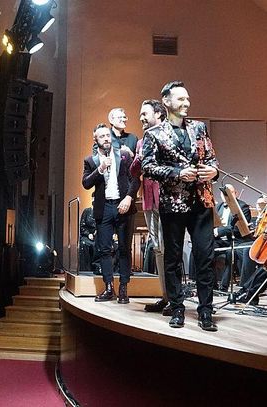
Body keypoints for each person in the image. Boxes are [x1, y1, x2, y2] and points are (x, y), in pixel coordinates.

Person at [142, 80, 219, 331]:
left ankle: (206, 310)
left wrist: (214, 171)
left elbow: (212, 158)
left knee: (205, 257)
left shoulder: (199, 127)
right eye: (181, 98)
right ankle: (177, 308)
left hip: (202, 201)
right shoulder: (153, 134)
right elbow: (147, 167)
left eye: (187, 98)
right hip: (173, 203)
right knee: (173, 258)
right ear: (166, 101)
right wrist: (177, 173)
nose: (186, 102)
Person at [82, 123, 140, 303]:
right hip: (104, 207)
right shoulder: (91, 160)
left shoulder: (123, 155)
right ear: (96, 140)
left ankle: (123, 288)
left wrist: (129, 198)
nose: (106, 139)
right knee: (104, 249)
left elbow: (135, 179)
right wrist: (100, 169)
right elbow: (86, 183)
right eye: (102, 136)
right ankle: (109, 287)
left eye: (108, 135)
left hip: (123, 205)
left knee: (124, 248)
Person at [130, 99, 170, 314]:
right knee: (158, 249)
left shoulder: (170, 137)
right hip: (148, 200)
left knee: (169, 249)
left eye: (144, 114)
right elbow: (134, 170)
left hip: (167, 200)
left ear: (159, 114)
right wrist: (139, 157)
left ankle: (174, 298)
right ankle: (166, 296)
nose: (141, 118)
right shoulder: (141, 142)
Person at [212, 184, 253, 291]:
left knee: (230, 253)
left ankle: (224, 286)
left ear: (235, 193)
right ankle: (211, 284)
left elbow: (239, 228)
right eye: (224, 194)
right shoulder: (219, 206)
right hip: (221, 240)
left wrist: (220, 231)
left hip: (237, 240)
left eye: (230, 193)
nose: (226, 196)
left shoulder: (242, 206)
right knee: (206, 248)